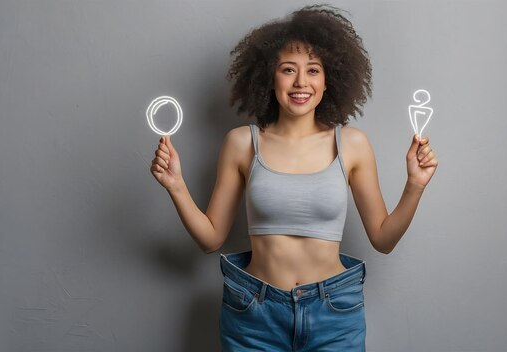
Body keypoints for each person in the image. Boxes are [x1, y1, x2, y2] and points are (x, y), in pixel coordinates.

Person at [150, 5, 438, 351]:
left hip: (334, 315)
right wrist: (176, 185)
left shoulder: (353, 144)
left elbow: (383, 239)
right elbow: (211, 239)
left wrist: (415, 186)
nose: (301, 82)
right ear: (269, 77)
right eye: (288, 70)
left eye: (313, 70)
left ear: (328, 79)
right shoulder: (242, 143)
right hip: (254, 315)